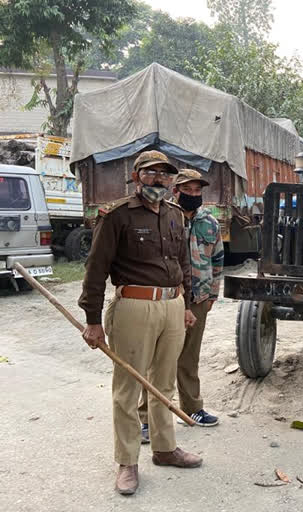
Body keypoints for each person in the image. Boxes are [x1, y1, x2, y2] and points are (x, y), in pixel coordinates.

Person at [79, 150, 203, 496]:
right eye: (151, 174)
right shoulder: (116, 215)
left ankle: (165, 449)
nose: (159, 180)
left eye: (165, 175)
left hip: (172, 306)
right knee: (128, 387)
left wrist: (187, 305)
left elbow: (184, 264)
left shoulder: (176, 215)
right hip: (134, 305)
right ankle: (127, 462)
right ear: (137, 177)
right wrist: (93, 320)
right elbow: (96, 269)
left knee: (163, 383)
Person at [139, 169, 224, 436]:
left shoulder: (210, 222)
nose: (193, 195)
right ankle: (146, 417)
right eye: (187, 190)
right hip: (168, 298)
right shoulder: (164, 217)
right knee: (156, 358)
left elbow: (218, 259)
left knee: (190, 356)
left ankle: (192, 407)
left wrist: (212, 293)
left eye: (198, 191)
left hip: (198, 298)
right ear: (175, 191)